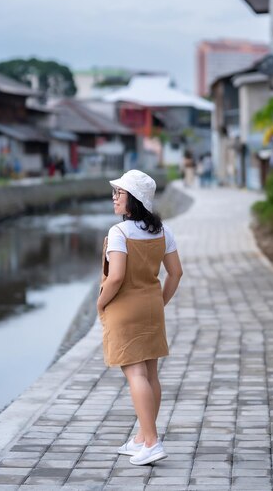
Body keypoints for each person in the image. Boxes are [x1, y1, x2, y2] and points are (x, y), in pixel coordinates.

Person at [97, 170, 183, 466]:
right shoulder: (162, 231)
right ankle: (141, 438)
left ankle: (151, 441)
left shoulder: (118, 234)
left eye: (118, 194)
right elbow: (176, 273)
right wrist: (160, 301)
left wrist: (100, 303)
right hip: (151, 308)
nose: (114, 198)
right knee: (151, 375)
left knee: (135, 375)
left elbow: (116, 276)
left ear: (132, 199)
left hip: (125, 310)